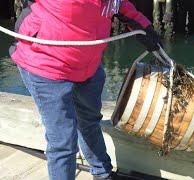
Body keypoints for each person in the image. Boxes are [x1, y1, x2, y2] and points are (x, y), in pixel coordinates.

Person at [9, 0, 161, 179]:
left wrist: (145, 28)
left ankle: (102, 173)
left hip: (88, 65)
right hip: (46, 64)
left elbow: (119, 5)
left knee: (89, 122)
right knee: (63, 142)